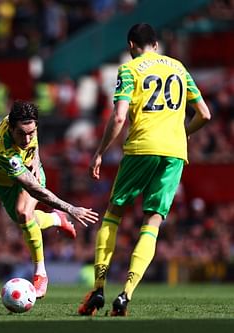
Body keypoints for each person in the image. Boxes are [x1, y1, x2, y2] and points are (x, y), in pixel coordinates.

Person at [78, 23, 211, 316]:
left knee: (113, 214)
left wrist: (99, 153)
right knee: (152, 222)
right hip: (175, 152)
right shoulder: (179, 68)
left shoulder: (130, 69)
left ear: (130, 45)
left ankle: (98, 288)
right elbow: (204, 114)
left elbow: (119, 117)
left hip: (142, 147)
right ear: (156, 43)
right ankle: (126, 295)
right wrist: (185, 133)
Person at [0, 100, 99, 298]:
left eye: (31, 132)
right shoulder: (6, 153)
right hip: (4, 182)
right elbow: (34, 190)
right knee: (26, 220)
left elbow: (34, 178)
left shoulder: (21, 124)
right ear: (10, 128)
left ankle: (40, 274)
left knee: (23, 213)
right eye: (21, 133)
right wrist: (71, 209)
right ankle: (56, 218)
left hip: (29, 171)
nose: (27, 139)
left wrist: (35, 159)